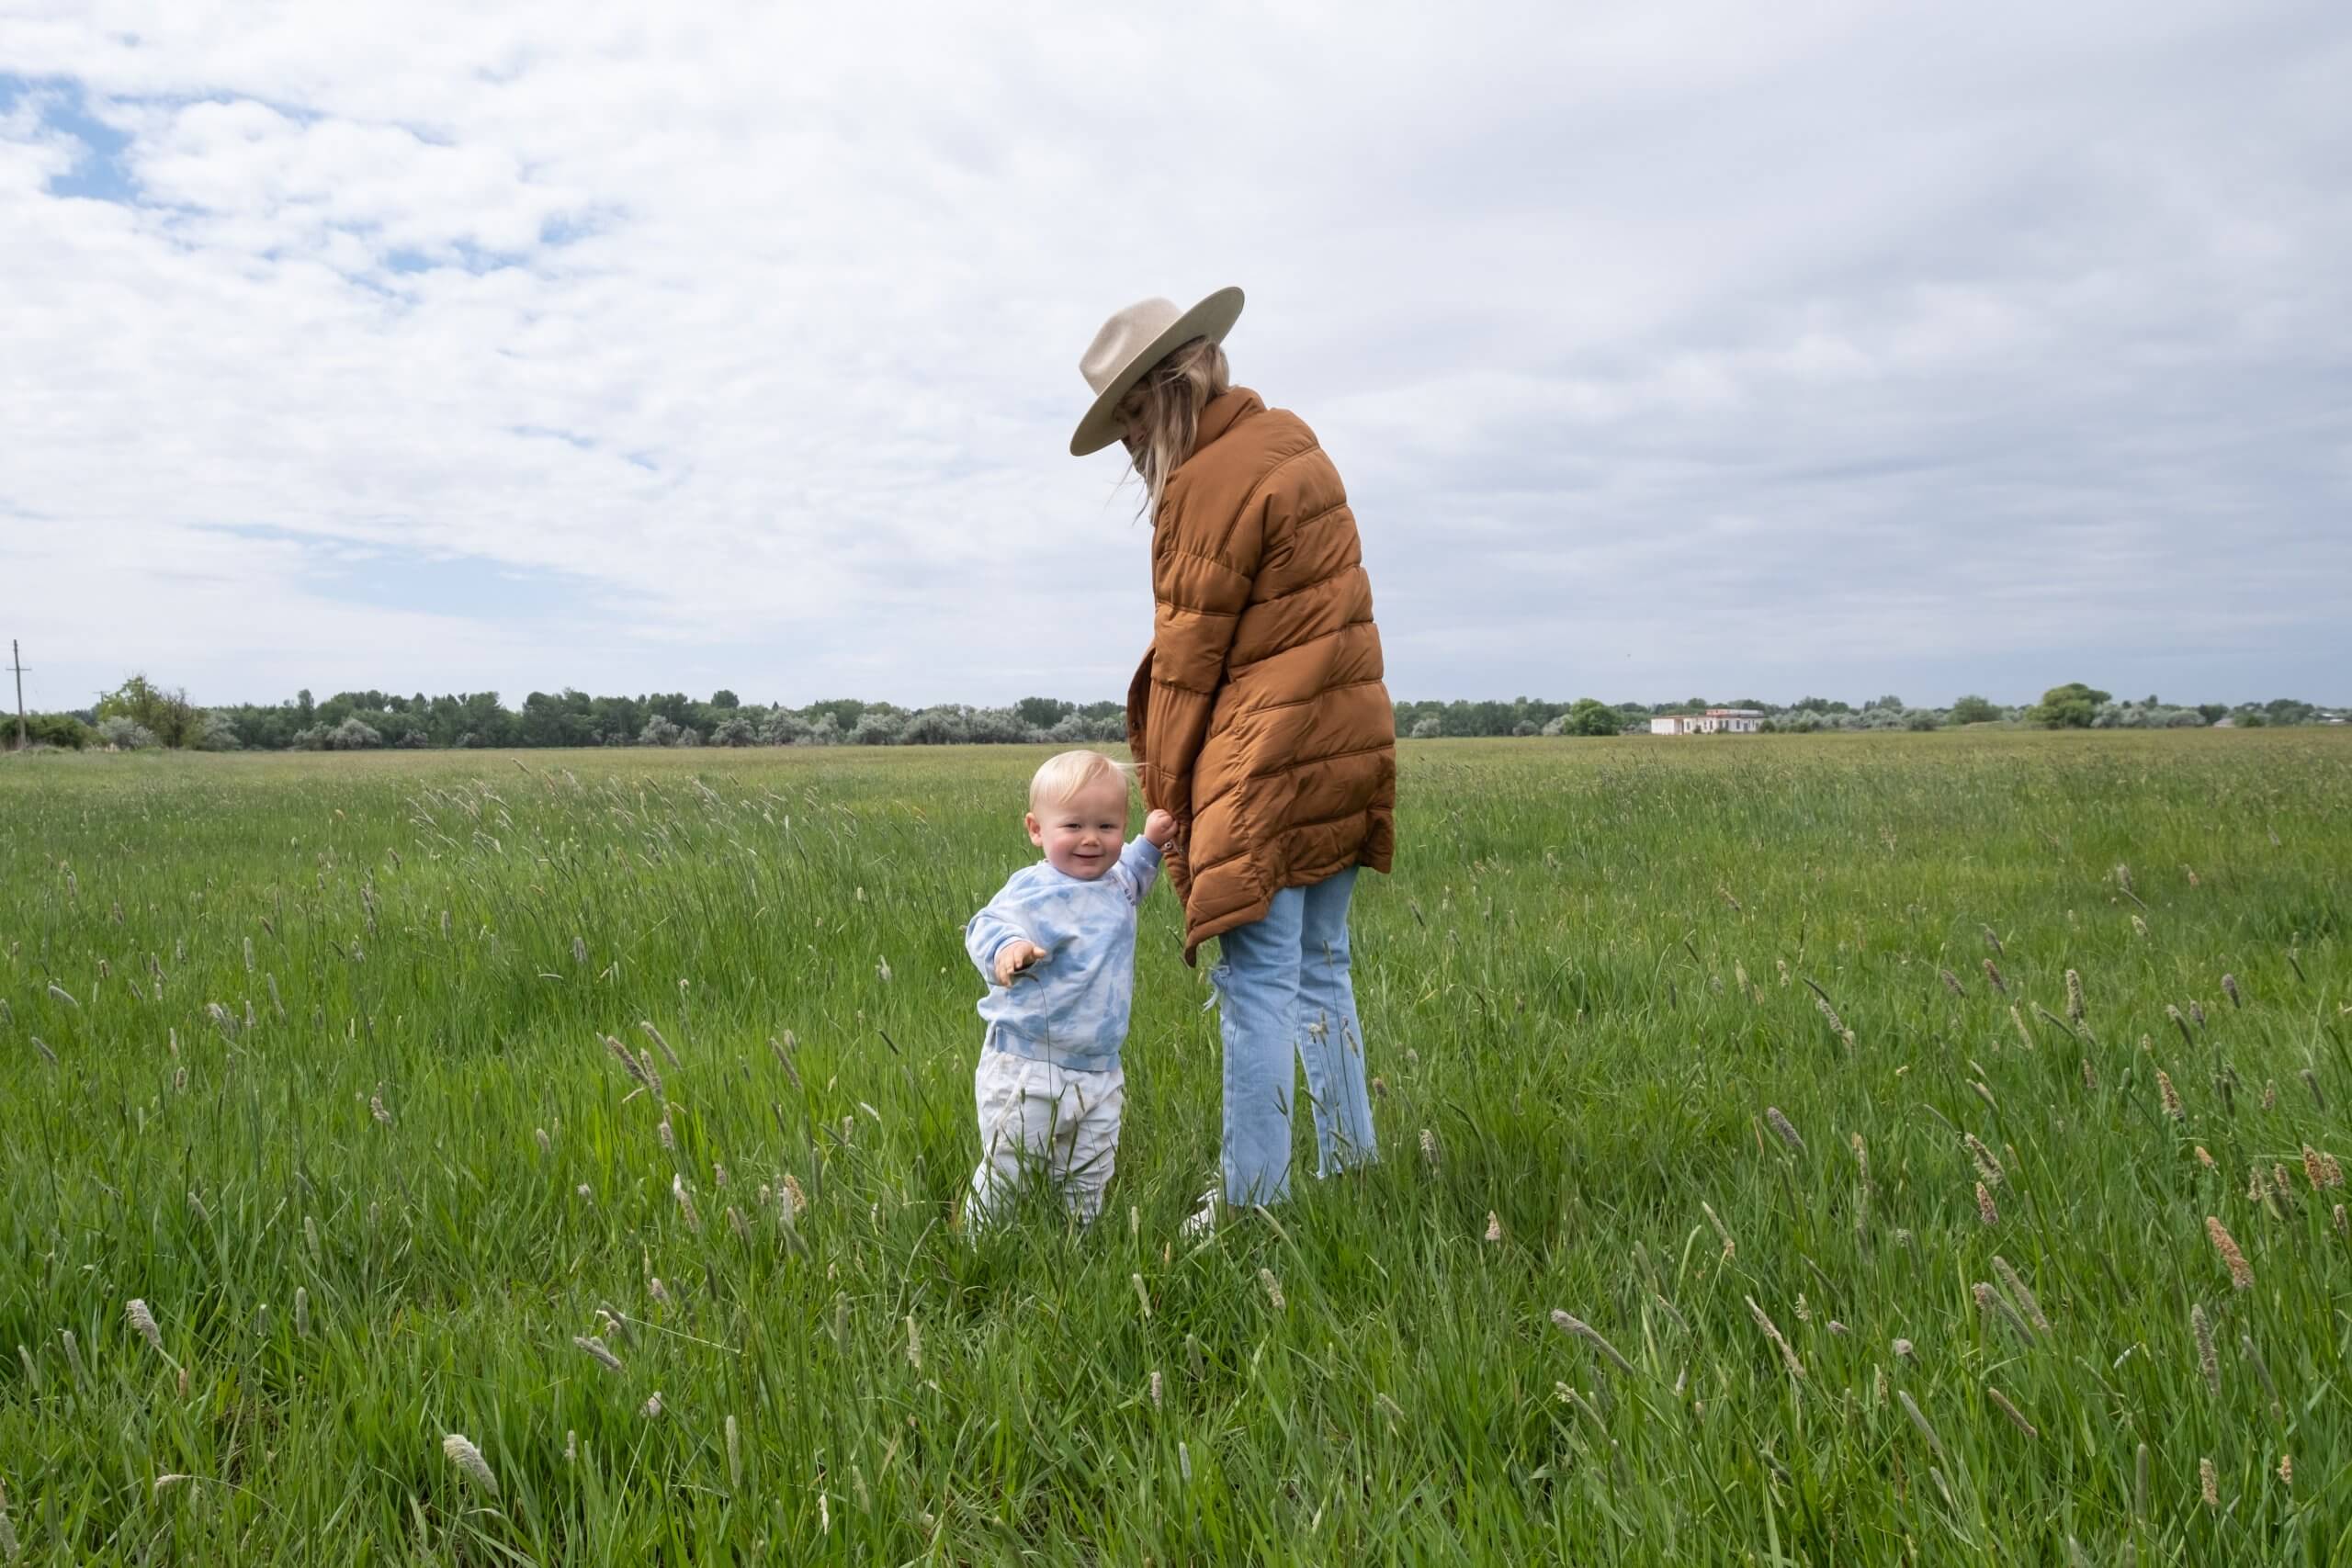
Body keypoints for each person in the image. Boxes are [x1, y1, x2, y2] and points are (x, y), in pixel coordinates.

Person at [1069, 287, 1396, 1230]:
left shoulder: (1202, 486)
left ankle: (1254, 1203)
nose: (1130, 444)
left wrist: (1167, 801)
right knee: (1323, 966)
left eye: (1130, 417)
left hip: (1263, 762)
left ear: (1168, 388)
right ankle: (1350, 1167)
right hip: (1343, 744)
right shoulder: (1292, 440)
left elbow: (1188, 661)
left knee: (1254, 988)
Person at [963, 749, 1175, 1225]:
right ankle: (976, 1245)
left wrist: (1153, 843)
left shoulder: (1117, 883)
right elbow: (986, 923)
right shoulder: (1034, 890)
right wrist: (1008, 948)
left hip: (1100, 1068)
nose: (1091, 840)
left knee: (1089, 1173)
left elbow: (1136, 875)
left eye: (1106, 827)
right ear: (1037, 829)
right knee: (1010, 1169)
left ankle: (1078, 1244)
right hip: (1029, 1063)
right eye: (1073, 826)